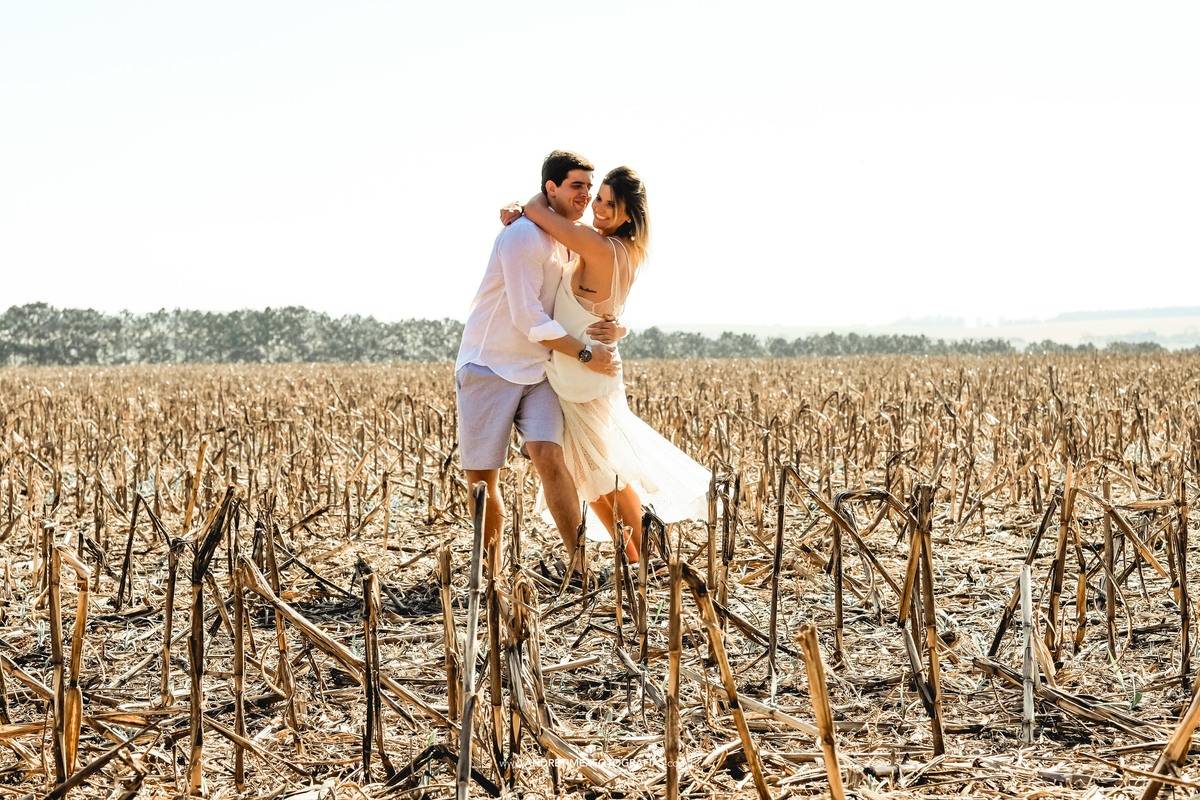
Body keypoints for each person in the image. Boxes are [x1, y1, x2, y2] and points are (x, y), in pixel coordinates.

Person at [501, 166, 710, 565]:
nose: (598, 207)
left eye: (610, 204)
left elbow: (538, 210)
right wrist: (621, 328)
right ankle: (641, 558)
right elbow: (604, 308)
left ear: (629, 214)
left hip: (580, 372)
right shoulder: (625, 249)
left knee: (598, 472)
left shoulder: (599, 247)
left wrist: (518, 205)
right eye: (599, 198)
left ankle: (642, 558)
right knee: (597, 469)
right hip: (589, 370)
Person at [455, 150, 622, 581]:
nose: (586, 195)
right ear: (552, 188)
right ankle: (488, 578)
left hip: (540, 369)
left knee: (551, 457)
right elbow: (528, 318)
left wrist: (613, 327)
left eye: (589, 187)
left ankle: (579, 567)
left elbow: (586, 297)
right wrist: (585, 354)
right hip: (488, 366)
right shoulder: (522, 237)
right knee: (482, 483)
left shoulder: (569, 237)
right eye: (576, 186)